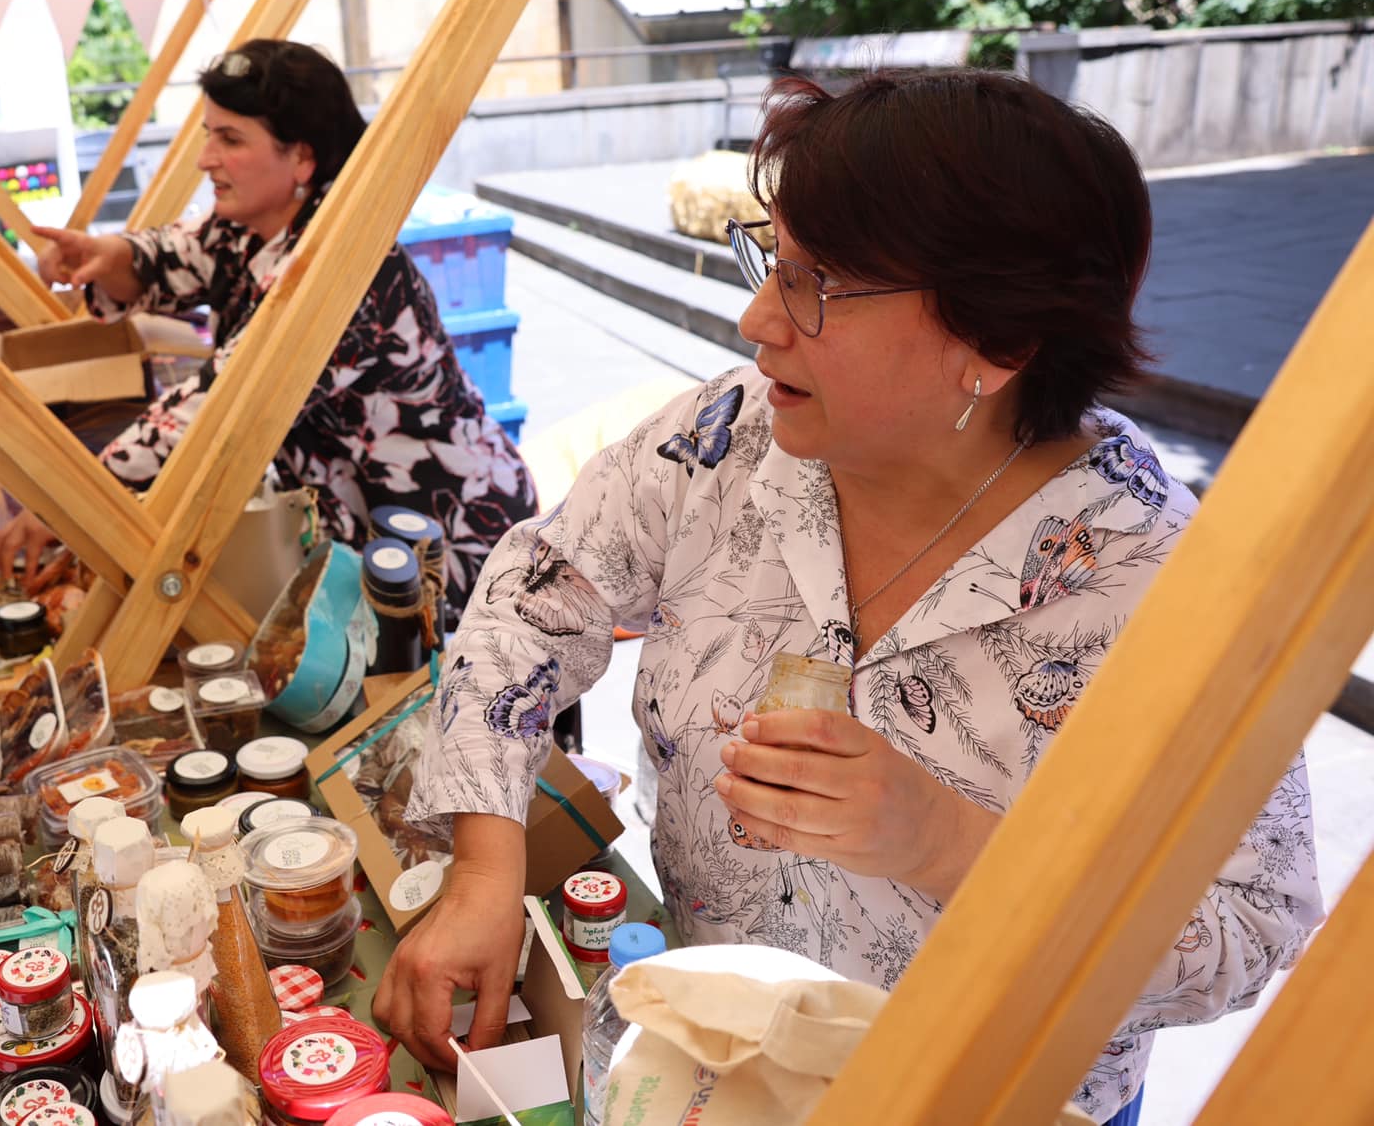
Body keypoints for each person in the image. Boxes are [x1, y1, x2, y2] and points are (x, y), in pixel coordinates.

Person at [374, 70, 1320, 1125]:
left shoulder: (1161, 588)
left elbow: (1250, 926)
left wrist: (950, 842)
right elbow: (534, 597)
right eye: (771, 262)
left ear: (998, 341)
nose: (756, 320)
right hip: (715, 1057)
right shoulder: (728, 439)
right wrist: (484, 871)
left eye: (815, 284)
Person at [0, 39, 537, 612]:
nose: (206, 159)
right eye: (208, 134)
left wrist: (71, 498)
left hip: (451, 550)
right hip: (365, 536)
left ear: (301, 158)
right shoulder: (249, 227)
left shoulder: (345, 268)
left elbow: (222, 403)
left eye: (230, 140)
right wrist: (106, 255)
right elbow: (169, 255)